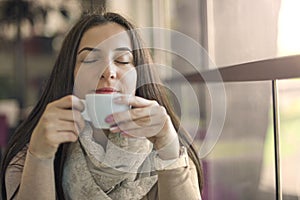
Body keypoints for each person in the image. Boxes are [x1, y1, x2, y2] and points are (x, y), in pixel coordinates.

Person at [0, 11, 203, 200]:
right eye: (90, 59)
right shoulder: (28, 155)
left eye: (123, 60)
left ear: (139, 76)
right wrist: (41, 156)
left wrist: (167, 146)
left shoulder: (173, 151)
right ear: (69, 74)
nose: (108, 71)